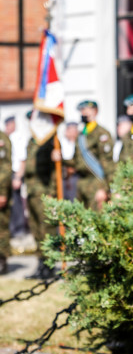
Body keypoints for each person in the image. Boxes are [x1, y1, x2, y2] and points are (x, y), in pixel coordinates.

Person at [24, 112, 57, 280]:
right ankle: (41, 263)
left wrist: (52, 192)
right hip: (31, 190)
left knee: (47, 230)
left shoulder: (48, 142)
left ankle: (50, 265)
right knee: (36, 229)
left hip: (44, 191)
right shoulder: (31, 141)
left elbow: (53, 170)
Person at [72, 101, 115, 210]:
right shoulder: (81, 134)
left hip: (96, 181)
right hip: (82, 182)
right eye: (82, 110)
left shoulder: (102, 133)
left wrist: (105, 188)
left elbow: (107, 163)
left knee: (95, 220)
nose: (84, 113)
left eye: (87, 110)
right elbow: (76, 160)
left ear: (95, 112)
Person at [0, 130, 12, 275]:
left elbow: (6, 167)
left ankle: (2, 259)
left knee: (1, 227)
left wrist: (2, 192)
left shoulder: (2, 138)